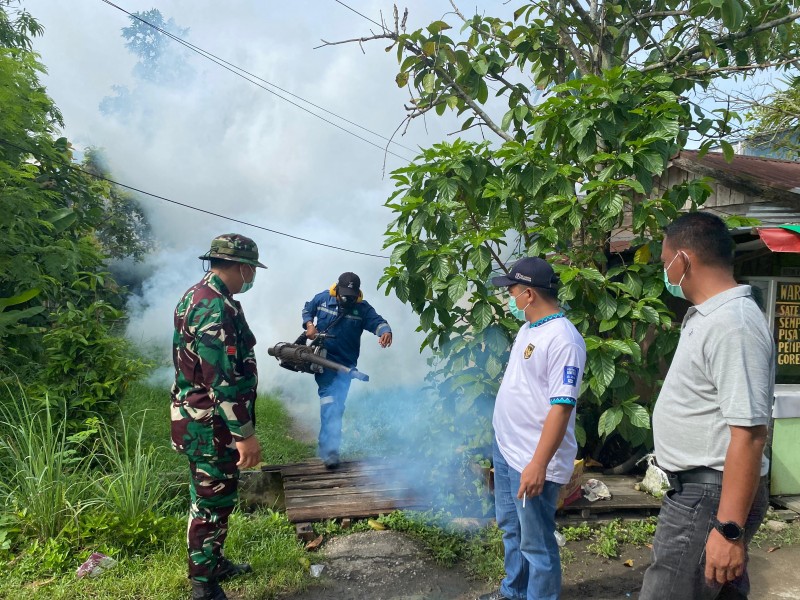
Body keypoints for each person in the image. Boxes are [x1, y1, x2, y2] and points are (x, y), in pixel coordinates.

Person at [639, 212, 774, 600]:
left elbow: (749, 434)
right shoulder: (712, 316)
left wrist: (727, 529)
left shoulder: (734, 324)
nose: (665, 272)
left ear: (683, 260)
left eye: (665, 262)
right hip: (703, 493)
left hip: (708, 496)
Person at [480, 257, 586, 600]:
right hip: (507, 448)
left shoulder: (564, 340)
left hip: (532, 458)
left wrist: (538, 464)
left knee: (537, 544)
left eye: (512, 291)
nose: (509, 298)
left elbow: (561, 406)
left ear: (528, 294)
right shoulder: (529, 328)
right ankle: (514, 591)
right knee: (511, 529)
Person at [171, 233, 266, 600]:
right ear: (241, 267)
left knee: (213, 498)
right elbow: (221, 380)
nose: (252, 276)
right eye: (251, 269)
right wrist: (244, 434)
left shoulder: (199, 295)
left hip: (202, 419)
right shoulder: (214, 307)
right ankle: (204, 585)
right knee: (211, 503)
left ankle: (213, 563)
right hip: (212, 424)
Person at [302, 272, 392, 468]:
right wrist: (309, 325)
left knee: (338, 407)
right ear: (336, 290)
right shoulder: (323, 299)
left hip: (346, 367)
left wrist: (385, 332)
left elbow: (378, 322)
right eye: (344, 296)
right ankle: (330, 453)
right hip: (324, 361)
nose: (348, 300)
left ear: (357, 294)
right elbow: (308, 309)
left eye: (352, 296)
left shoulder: (362, 309)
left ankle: (328, 447)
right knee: (329, 403)